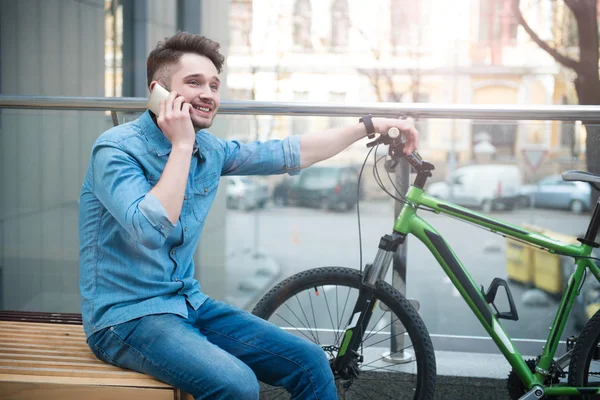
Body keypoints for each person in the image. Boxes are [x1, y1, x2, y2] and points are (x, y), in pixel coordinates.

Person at [79, 32, 418, 400]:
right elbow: (150, 229)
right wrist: (180, 144)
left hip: (188, 303)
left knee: (310, 361)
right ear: (159, 91)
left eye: (213, 84)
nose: (208, 94)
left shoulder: (209, 149)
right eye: (193, 83)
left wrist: (368, 126)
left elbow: (289, 152)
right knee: (237, 384)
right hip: (126, 319)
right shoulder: (115, 149)